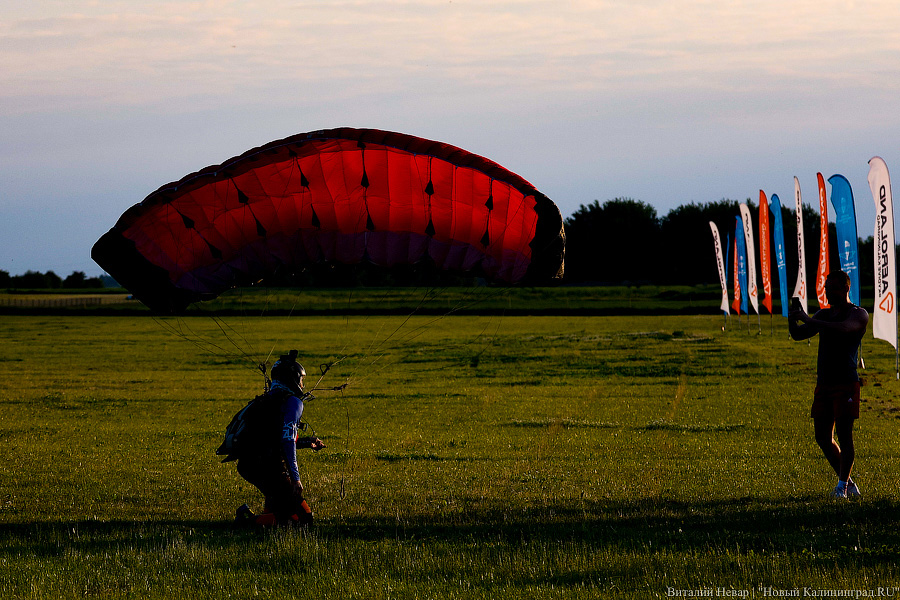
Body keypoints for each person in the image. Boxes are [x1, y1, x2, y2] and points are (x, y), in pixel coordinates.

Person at [788, 271, 868, 499]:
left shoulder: (858, 313)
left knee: (844, 435)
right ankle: (848, 483)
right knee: (822, 437)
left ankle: (841, 486)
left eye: (832, 288)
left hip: (846, 382)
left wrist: (810, 320)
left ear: (845, 288)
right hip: (824, 383)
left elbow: (844, 328)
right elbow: (798, 335)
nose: (827, 293)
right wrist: (793, 317)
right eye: (826, 288)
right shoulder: (824, 314)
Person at [233, 350, 326, 526]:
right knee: (302, 519)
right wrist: (296, 478)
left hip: (249, 465)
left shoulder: (266, 400)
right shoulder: (292, 402)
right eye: (301, 379)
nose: (302, 384)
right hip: (268, 467)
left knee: (280, 501)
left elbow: (273, 439)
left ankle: (264, 515)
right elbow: (287, 440)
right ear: (292, 379)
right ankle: (246, 520)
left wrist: (306, 442)